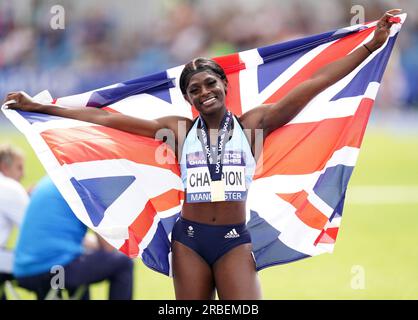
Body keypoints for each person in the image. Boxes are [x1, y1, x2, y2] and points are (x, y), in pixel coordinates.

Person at [4, 10, 401, 300]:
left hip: (232, 239)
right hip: (189, 240)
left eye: (209, 83)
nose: (203, 92)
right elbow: (104, 119)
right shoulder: (178, 130)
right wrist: (42, 108)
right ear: (188, 97)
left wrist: (371, 44)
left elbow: (316, 83)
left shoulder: (253, 126)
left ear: (224, 84)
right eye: (194, 89)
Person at [13, 176, 134, 300]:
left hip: (24, 271)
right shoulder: (83, 186)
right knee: (123, 262)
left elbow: (59, 233)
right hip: (53, 271)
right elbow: (108, 246)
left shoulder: (50, 180)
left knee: (82, 262)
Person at [0, 144, 29, 300]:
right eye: (19, 168)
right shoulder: (10, 187)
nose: (23, 174)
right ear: (4, 166)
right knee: (57, 268)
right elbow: (33, 227)